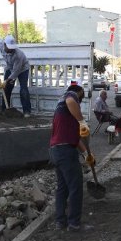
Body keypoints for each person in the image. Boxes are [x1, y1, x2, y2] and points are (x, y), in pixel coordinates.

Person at [49, 84, 93, 231]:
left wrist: (87, 154)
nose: (80, 100)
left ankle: (60, 222)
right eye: (81, 96)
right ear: (79, 92)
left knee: (62, 188)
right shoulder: (70, 96)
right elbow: (71, 100)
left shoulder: (66, 113)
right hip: (65, 152)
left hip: (56, 150)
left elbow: (76, 140)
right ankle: (74, 223)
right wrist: (82, 121)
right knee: (75, 186)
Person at [3, 34, 32, 117]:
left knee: (23, 89)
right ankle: (4, 109)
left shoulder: (18, 55)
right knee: (6, 88)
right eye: (9, 47)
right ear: (4, 45)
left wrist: (7, 80)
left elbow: (16, 71)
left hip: (22, 69)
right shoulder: (1, 45)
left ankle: (26, 111)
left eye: (12, 47)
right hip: (10, 67)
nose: (11, 49)